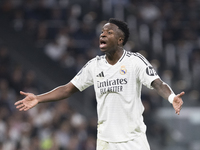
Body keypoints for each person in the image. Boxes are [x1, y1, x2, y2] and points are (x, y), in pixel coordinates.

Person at [15, 18, 184, 150]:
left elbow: (158, 83)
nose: (102, 35)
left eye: (109, 32)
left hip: (133, 141)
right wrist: (38, 98)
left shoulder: (135, 62)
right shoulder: (94, 66)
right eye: (102, 32)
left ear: (120, 40)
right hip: (105, 142)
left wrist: (171, 98)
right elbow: (67, 89)